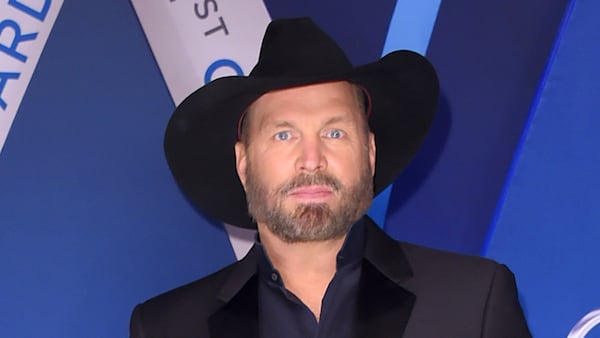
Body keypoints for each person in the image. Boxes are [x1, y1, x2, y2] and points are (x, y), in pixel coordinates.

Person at [129, 17, 531, 338]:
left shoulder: (474, 301)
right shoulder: (167, 327)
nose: (311, 159)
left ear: (369, 153)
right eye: (283, 134)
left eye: (334, 132)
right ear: (244, 163)